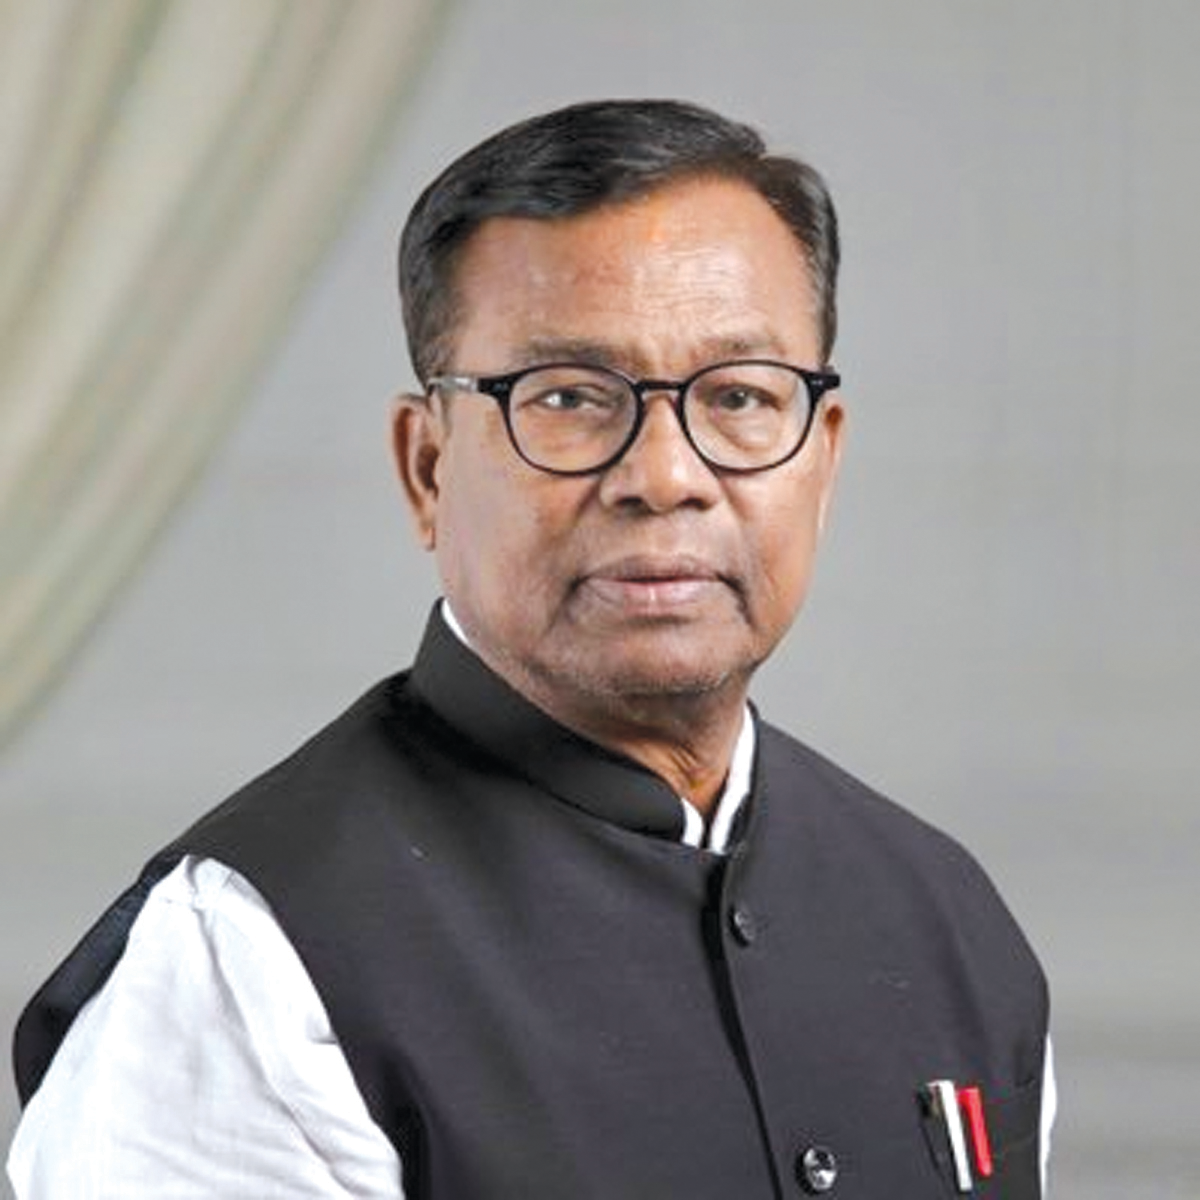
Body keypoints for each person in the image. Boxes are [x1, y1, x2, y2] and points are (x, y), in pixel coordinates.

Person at [8, 99, 1054, 1198]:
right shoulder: (249, 967)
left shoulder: (947, 922)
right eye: (568, 398)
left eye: (741, 396)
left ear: (822, 460)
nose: (666, 476)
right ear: (427, 466)